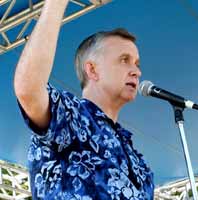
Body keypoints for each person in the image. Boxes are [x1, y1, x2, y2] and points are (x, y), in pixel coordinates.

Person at [14, 0, 154, 199]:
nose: (137, 71)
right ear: (92, 70)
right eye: (124, 60)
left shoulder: (138, 160)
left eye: (137, 63)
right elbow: (28, 90)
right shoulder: (72, 117)